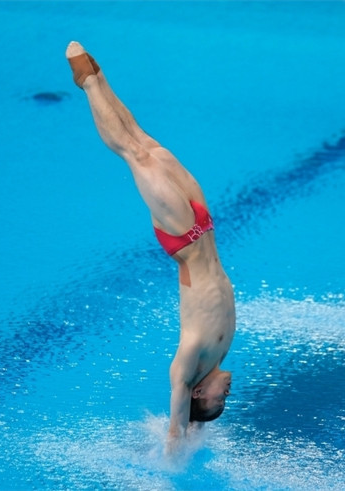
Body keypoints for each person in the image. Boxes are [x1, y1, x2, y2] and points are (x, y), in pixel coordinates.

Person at [66, 42, 235, 443]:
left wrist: (176, 448)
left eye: (219, 400)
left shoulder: (189, 364)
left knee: (135, 154)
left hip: (184, 238)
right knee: (147, 144)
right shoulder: (219, 353)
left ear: (198, 394)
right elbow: (195, 416)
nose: (227, 394)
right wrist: (200, 427)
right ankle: (97, 77)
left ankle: (89, 84)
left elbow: (177, 422)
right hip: (203, 224)